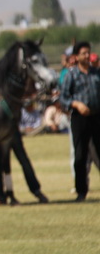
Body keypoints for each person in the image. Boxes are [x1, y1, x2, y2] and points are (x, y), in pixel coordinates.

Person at [60, 41, 100, 202]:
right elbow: (63, 98)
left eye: (88, 53)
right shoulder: (71, 75)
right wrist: (76, 104)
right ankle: (81, 191)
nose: (87, 56)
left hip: (97, 117)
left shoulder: (96, 73)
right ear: (76, 57)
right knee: (80, 155)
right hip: (79, 119)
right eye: (83, 53)